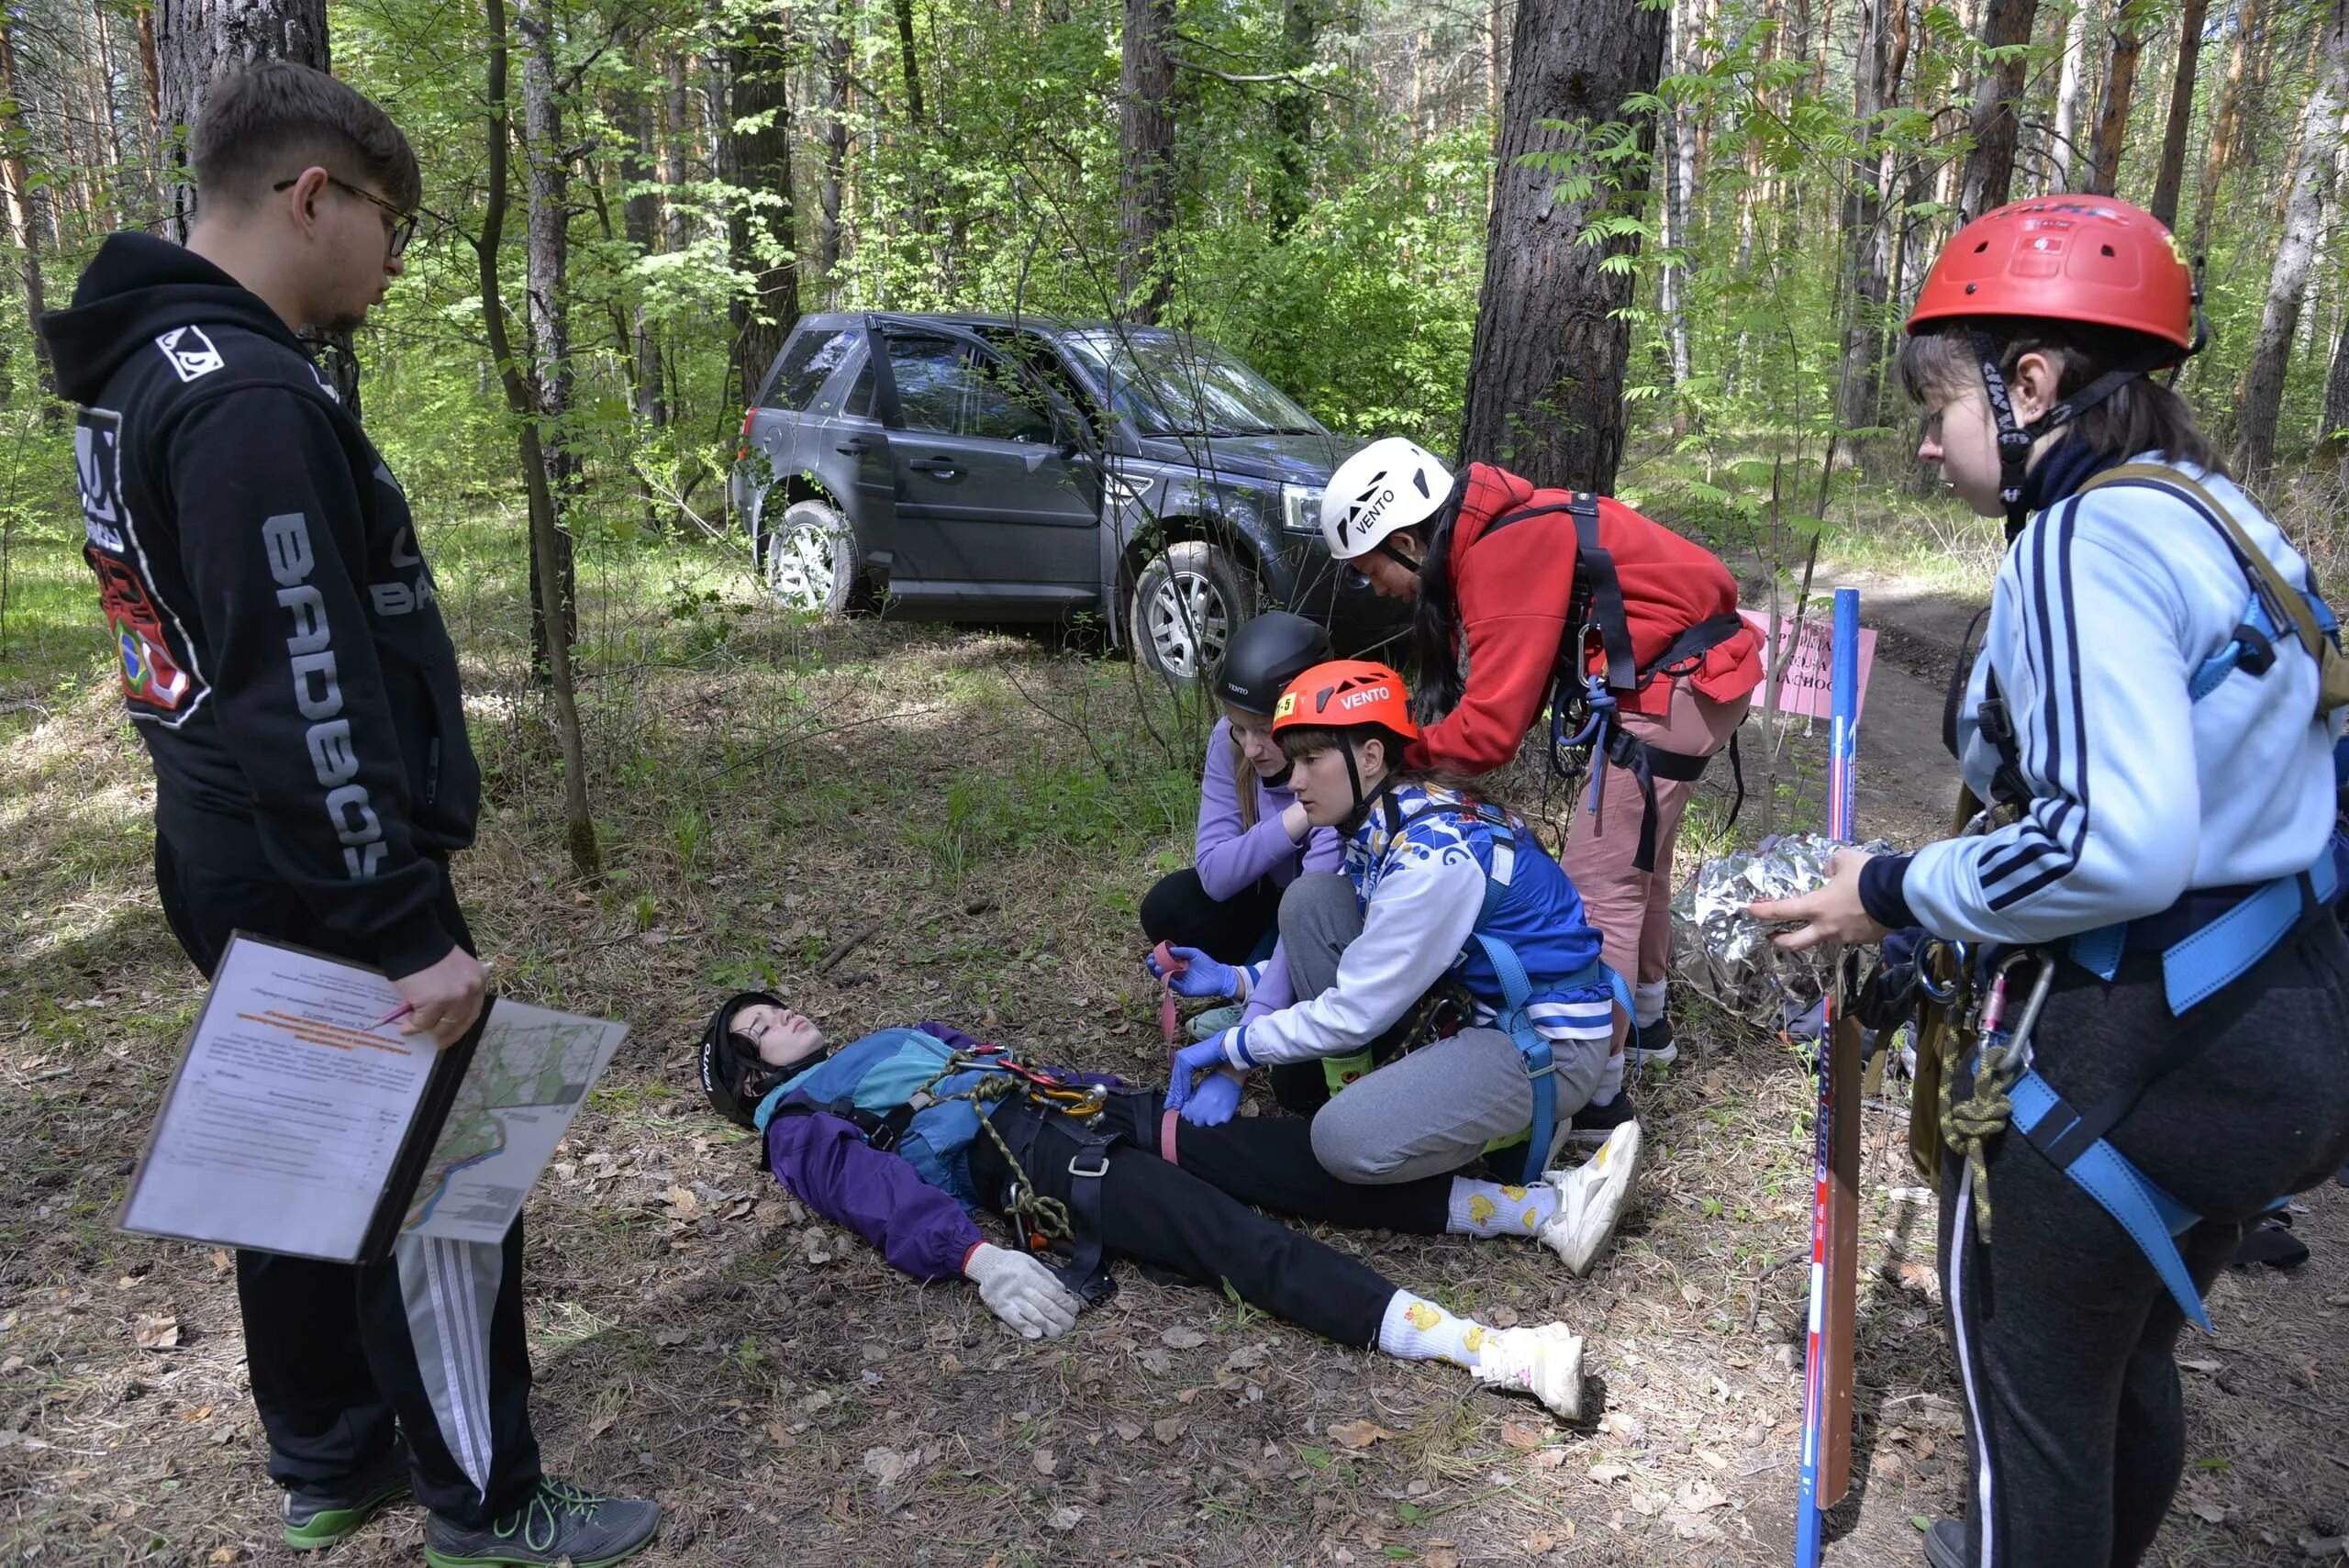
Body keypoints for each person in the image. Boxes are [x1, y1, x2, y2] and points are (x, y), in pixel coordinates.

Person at [39, 62, 657, 1568]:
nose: (396, 258)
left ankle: (328, 1452)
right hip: (316, 861)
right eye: (396, 222)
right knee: (447, 1181)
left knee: (300, 1145)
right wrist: (403, 928)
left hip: (224, 843)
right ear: (313, 195)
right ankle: (488, 1502)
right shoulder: (246, 396)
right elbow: (300, 679)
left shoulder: (145, 366)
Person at [1749, 195, 2349, 1568]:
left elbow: (2110, 843)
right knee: (2120, 1368)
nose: (1923, 437)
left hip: (2139, 1044)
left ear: (2030, 384)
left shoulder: (2085, 543)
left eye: (1941, 402)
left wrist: (1893, 889)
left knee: (2033, 1420)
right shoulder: (2220, 516)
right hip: (2280, 1022)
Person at [699, 994, 1645, 1420]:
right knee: (1236, 1240)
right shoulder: (796, 1121)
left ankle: (1539, 1208)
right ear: (753, 1079)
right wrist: (973, 1256)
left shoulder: (886, 1039)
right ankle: (1495, 1351)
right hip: (1032, 1161)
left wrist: (1129, 1097)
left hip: (1084, 1112)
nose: (781, 1014)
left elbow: (1006, 1066)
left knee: (1295, 1157)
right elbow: (872, 1193)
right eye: (760, 1028)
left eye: (773, 1006)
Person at [1314, 439, 1765, 1130]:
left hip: (1676, 683)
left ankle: (1599, 1091)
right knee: (1643, 860)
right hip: (1702, 671)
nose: (1375, 589)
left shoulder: (1500, 555)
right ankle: (1646, 1024)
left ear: (1407, 540)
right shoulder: (1499, 529)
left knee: (1601, 883)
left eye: (1371, 571)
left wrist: (1402, 753)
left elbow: (1491, 733)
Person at [1162, 660, 1643, 1256]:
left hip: (1547, 1042)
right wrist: (1240, 979)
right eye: (1296, 760)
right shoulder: (1391, 812)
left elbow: (1356, 1009)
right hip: (1481, 1002)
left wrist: (1232, 1047)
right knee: (1312, 901)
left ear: (1369, 757)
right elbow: (1382, 950)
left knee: (1339, 1143)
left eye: (1312, 760)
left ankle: (1536, 1171)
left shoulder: (1430, 857)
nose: (1295, 780)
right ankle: (1401, 1105)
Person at [1140, 612, 1342, 1104]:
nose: (1251, 748)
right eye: (1238, 728)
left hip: (1323, 918)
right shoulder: (1229, 744)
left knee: (1298, 1087)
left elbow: (1310, 913)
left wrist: (1235, 1063)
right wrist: (1295, 821)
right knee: (1171, 906)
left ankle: (1252, 994)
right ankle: (1255, 988)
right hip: (1270, 900)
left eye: (1265, 729)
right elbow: (1214, 874)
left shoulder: (1336, 770)